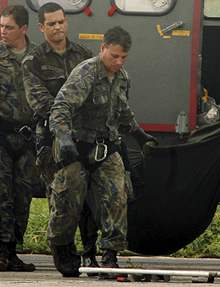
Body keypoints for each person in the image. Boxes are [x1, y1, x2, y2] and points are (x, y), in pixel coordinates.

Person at [47, 26, 156, 277]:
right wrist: (63, 139)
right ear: (103, 48)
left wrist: (138, 134)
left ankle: (110, 254)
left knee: (117, 196)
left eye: (123, 58)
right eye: (114, 56)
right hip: (75, 146)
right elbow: (61, 108)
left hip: (104, 147)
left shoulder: (122, 78)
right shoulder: (86, 73)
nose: (118, 62)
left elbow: (123, 111)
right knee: (68, 200)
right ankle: (62, 248)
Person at [22, 2, 99, 270]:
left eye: (61, 21)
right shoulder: (33, 62)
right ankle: (63, 248)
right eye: (51, 23)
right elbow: (41, 103)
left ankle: (91, 250)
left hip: (86, 135)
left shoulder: (85, 55)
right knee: (65, 194)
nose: (58, 27)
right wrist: (66, 115)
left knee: (92, 193)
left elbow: (96, 95)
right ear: (41, 27)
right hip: (54, 137)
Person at [0, 5, 39, 272]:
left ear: (23, 29)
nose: (2, 32)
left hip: (27, 137)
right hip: (1, 134)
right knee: (2, 194)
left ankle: (12, 250)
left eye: (8, 27)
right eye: (1, 26)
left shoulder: (38, 58)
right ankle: (1, 250)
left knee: (22, 194)